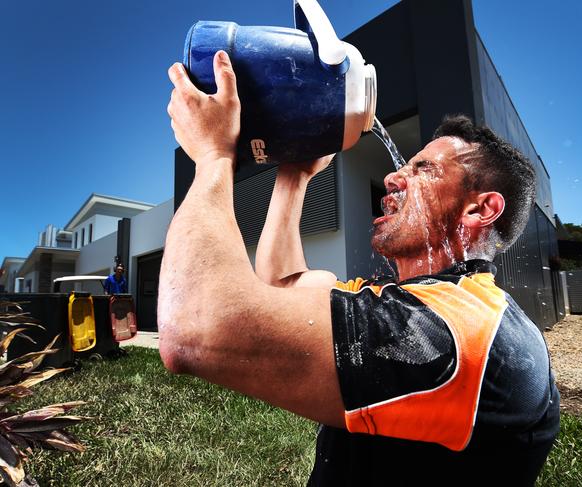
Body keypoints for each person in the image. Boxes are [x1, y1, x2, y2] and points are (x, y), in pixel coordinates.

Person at [160, 51, 559, 486]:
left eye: (423, 168)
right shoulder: (408, 305)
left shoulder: (468, 330)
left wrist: (214, 156)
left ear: (479, 209)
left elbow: (197, 326)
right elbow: (281, 286)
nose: (392, 178)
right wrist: (295, 176)